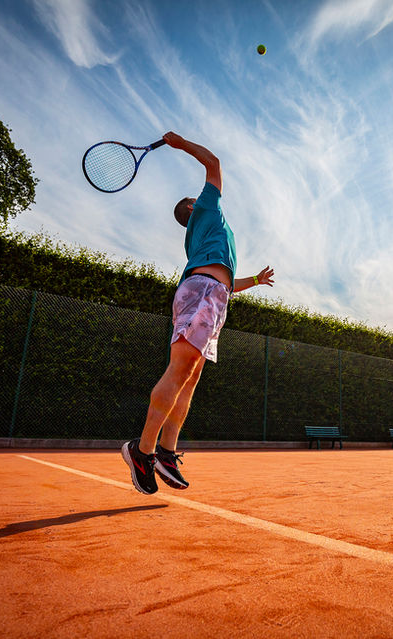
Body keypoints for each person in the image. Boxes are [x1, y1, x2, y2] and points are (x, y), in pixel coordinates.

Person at [122, 131, 274, 494]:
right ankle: (142, 451)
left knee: (189, 379)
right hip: (204, 292)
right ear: (192, 207)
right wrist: (180, 143)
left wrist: (254, 279)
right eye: (197, 196)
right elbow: (214, 163)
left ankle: (167, 453)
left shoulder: (208, 234)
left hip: (214, 294)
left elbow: (225, 280)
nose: (204, 194)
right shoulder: (207, 209)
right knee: (180, 371)